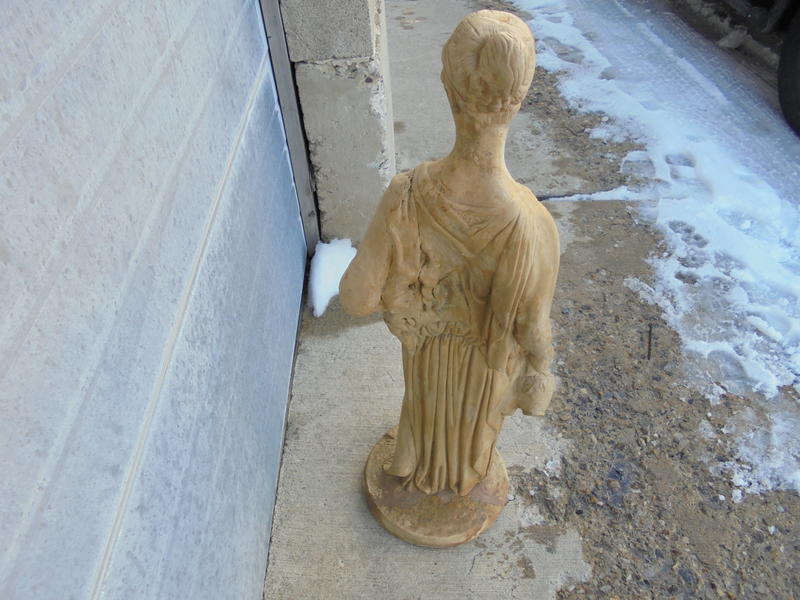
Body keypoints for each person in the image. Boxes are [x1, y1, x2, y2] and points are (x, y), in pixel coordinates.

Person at [339, 9, 560, 496]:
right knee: (470, 446)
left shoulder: (406, 195)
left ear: (449, 87)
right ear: (520, 96)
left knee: (421, 413)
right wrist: (541, 366)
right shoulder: (534, 225)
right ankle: (463, 479)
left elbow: (356, 298)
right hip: (485, 381)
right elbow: (533, 328)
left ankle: (413, 466)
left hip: (424, 359)